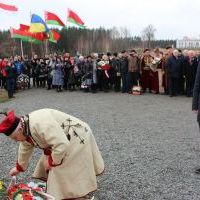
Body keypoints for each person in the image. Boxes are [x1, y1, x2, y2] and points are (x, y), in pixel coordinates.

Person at [0, 109, 104, 200]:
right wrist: (19, 167)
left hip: (77, 136)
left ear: (19, 129)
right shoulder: (25, 128)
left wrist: (51, 161)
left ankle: (77, 194)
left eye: (14, 138)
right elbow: (25, 147)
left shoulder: (39, 124)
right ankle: (65, 191)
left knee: (66, 167)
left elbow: (61, 144)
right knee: (53, 164)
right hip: (64, 139)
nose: (15, 141)